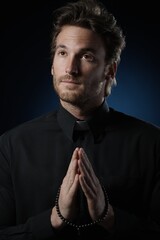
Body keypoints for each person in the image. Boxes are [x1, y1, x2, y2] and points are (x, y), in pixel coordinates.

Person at [0, 0, 160, 239]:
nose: (70, 68)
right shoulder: (11, 146)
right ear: (53, 65)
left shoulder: (153, 144)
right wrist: (54, 219)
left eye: (86, 56)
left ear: (110, 70)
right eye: (63, 53)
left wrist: (109, 217)